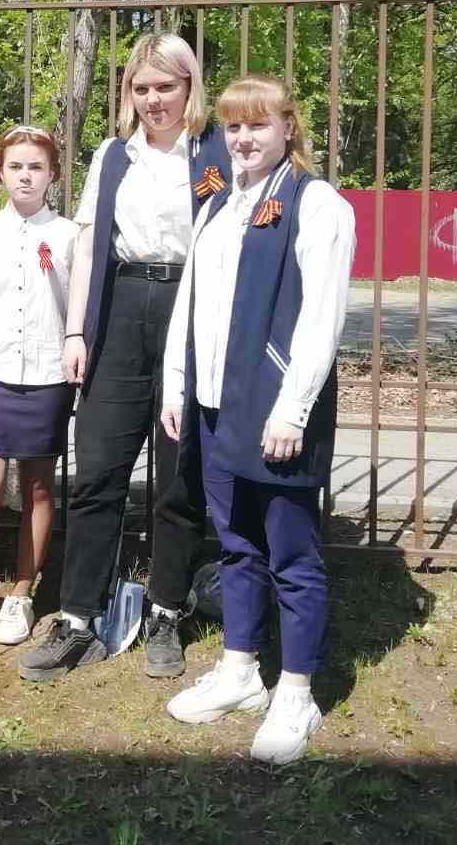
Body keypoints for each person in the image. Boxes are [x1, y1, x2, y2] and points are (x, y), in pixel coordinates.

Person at [18, 31, 230, 683]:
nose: (153, 99)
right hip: (121, 310)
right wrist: (77, 332)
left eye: (165, 86)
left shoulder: (215, 152)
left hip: (189, 310)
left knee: (178, 476)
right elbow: (89, 246)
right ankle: (78, 617)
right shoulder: (114, 155)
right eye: (141, 87)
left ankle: (166, 612)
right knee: (97, 472)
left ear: (189, 88)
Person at [159, 73, 355, 766]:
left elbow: (321, 319)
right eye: (234, 126)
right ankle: (241, 670)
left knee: (292, 556)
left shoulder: (317, 203)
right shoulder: (221, 202)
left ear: (288, 128)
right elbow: (191, 301)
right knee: (236, 544)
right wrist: (177, 386)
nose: (243, 139)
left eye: (258, 124)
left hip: (275, 413)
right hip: (216, 407)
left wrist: (292, 410)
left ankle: (296, 691)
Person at [0, 125, 78, 651]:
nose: (26, 176)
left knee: (38, 488)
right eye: (16, 166)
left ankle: (22, 592)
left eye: (36, 167)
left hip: (46, 374)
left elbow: (74, 303)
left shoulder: (69, 235)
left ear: (53, 175)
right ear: (0, 173)